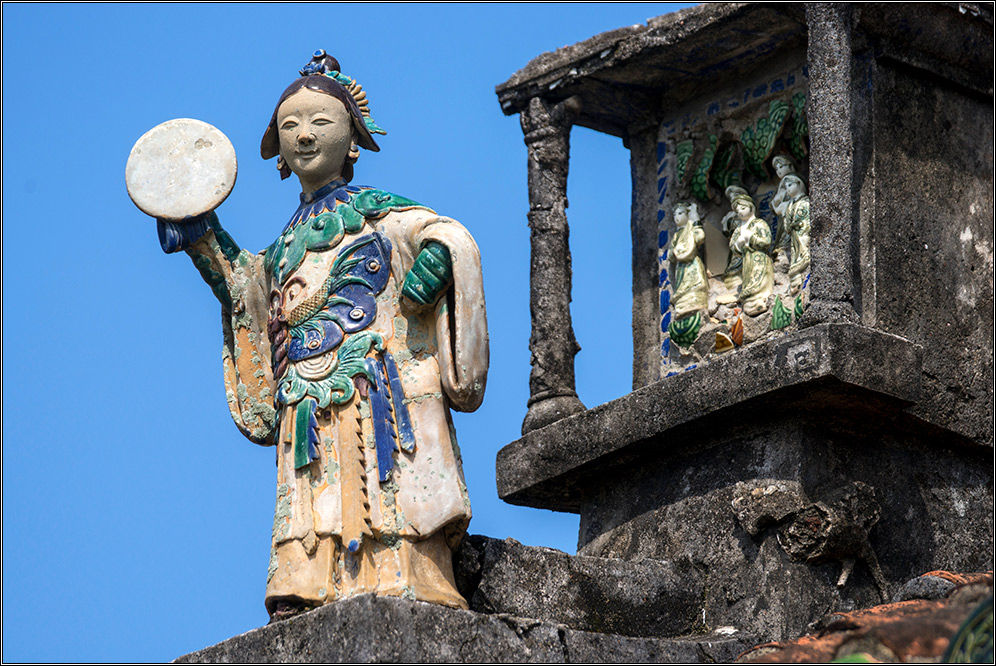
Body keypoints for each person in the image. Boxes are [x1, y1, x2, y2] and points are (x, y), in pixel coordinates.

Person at [159, 51, 488, 620]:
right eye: (290, 126)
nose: (304, 135)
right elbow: (247, 291)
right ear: (279, 153)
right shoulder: (286, 244)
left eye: (320, 122)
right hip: (305, 396)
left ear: (352, 140)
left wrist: (440, 257)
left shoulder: (379, 215)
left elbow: (446, 233)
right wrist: (198, 229)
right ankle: (306, 581)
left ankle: (409, 573)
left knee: (391, 479)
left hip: (376, 381)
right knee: (309, 484)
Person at [729, 194, 773, 316]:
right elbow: (732, 246)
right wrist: (738, 244)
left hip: (759, 258)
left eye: (743, 208)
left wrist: (751, 237)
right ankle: (749, 302)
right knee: (749, 280)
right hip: (747, 260)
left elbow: (766, 241)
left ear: (751, 207)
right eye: (737, 211)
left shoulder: (759, 223)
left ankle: (761, 299)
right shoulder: (738, 229)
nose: (740, 212)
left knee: (759, 279)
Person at [668, 202, 709, 318]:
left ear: (687, 214)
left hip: (692, 264)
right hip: (681, 267)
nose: (677, 217)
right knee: (682, 286)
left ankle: (695, 303)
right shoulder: (677, 234)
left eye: (680, 213)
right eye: (675, 215)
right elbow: (671, 255)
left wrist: (695, 220)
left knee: (694, 284)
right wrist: (675, 251)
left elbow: (700, 237)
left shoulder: (691, 228)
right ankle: (683, 306)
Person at [780, 174, 811, 294]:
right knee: (794, 255)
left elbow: (806, 219)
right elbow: (787, 224)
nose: (787, 188)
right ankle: (795, 280)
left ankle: (800, 280)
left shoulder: (805, 202)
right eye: (786, 187)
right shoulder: (790, 205)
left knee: (803, 251)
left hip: (802, 232)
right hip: (794, 235)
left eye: (790, 185)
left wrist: (800, 225)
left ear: (799, 184)